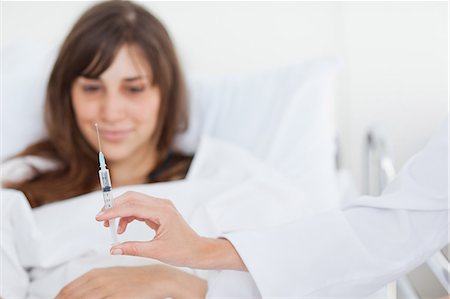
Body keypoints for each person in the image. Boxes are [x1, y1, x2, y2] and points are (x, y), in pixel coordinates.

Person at [92, 119, 448, 297]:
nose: (111, 112)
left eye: (134, 88)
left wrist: (189, 281)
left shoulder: (237, 174)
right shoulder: (37, 183)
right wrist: (202, 251)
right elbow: (394, 230)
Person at [1, 0, 208, 297]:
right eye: (91, 88)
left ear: (167, 92)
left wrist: (171, 281)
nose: (111, 112)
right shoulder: (21, 186)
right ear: (66, 94)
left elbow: (268, 282)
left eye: (134, 88)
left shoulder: (219, 176)